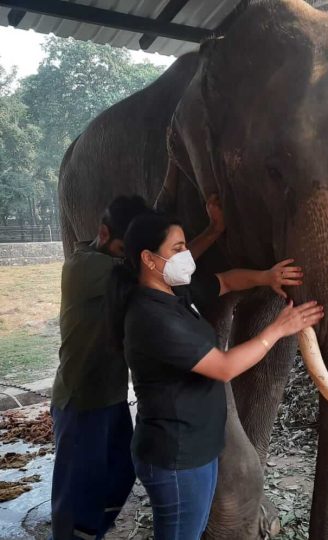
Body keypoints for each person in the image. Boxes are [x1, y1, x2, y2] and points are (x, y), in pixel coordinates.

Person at [107, 211, 323, 540]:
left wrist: (267, 276)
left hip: (197, 448)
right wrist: (279, 329)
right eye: (178, 249)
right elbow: (224, 367)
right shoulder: (151, 316)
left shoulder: (173, 293)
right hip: (176, 456)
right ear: (149, 259)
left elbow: (227, 281)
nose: (186, 257)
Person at [50, 194, 225, 540]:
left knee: (116, 479)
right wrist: (211, 233)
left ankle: (91, 533)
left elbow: (161, 261)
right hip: (80, 399)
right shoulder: (85, 267)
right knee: (77, 489)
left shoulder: (120, 268)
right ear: (103, 234)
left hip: (110, 395)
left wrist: (212, 231)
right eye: (123, 249)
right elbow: (153, 265)